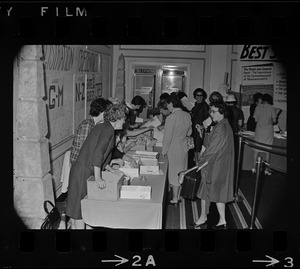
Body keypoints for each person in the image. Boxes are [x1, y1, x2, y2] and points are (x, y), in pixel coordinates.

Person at [66, 103, 128, 229]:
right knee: (79, 212)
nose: (125, 121)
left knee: (85, 209)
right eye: (124, 118)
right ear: (118, 118)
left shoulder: (105, 127)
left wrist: (110, 170)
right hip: (82, 172)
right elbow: (98, 154)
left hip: (84, 170)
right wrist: (99, 178)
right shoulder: (108, 130)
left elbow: (101, 155)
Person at [190, 101, 234, 229]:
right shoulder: (223, 125)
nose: (211, 114)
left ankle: (205, 217)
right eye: (211, 111)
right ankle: (221, 220)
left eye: (214, 111)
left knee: (207, 191)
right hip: (219, 163)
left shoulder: (221, 127)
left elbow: (212, 149)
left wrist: (199, 162)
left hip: (215, 164)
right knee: (216, 192)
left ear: (222, 112)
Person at [162, 94, 192, 206]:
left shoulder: (171, 117)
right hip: (184, 145)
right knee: (182, 171)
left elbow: (167, 137)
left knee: (174, 172)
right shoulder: (187, 115)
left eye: (167, 105)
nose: (167, 108)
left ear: (171, 103)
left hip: (173, 147)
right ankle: (178, 195)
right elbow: (189, 132)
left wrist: (164, 151)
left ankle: (175, 198)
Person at [69, 98, 112, 165]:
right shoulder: (87, 125)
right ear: (101, 112)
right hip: (80, 165)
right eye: (106, 112)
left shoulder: (95, 124)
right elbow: (85, 151)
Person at [252, 93, 277, 175]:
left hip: (259, 129)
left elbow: (255, 120)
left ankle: (254, 168)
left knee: (256, 149)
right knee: (267, 150)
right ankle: (267, 169)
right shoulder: (272, 108)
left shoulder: (258, 107)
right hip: (268, 130)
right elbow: (274, 121)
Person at [190, 88, 210, 164]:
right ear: (195, 96)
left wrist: (202, 128)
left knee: (198, 148)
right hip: (194, 130)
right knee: (195, 149)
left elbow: (207, 120)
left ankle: (198, 167)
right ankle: (196, 166)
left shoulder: (204, 106)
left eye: (201, 95)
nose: (199, 97)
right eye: (197, 95)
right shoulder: (195, 106)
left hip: (200, 130)